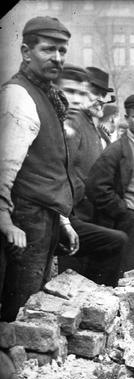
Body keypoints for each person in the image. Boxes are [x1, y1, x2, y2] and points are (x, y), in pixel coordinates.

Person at [0, 16, 78, 322]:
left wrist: (62, 220)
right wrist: (5, 219)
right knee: (19, 311)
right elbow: (4, 168)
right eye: (48, 50)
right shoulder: (18, 96)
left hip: (43, 219)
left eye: (62, 51)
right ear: (25, 51)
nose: (57, 58)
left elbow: (49, 170)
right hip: (25, 222)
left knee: (33, 307)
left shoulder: (46, 95)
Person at [58, 64, 127, 286]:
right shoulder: (74, 123)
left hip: (91, 212)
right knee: (71, 279)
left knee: (86, 278)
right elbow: (63, 167)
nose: (100, 100)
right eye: (95, 93)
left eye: (103, 95)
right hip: (73, 213)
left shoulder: (92, 127)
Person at [86, 93, 134, 273]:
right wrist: (123, 211)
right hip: (131, 224)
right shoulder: (117, 150)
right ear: (127, 118)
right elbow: (96, 187)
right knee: (128, 274)